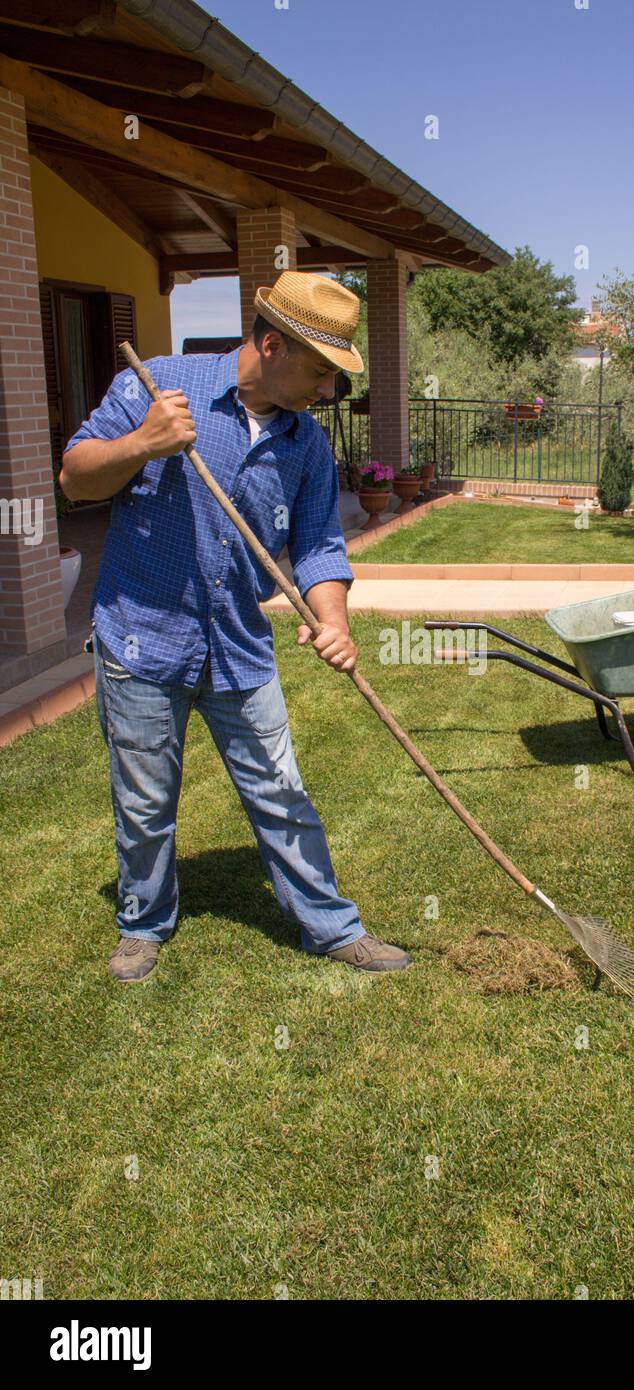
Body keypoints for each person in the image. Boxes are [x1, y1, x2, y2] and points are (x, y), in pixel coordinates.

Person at [59, 271, 412, 983]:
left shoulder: (304, 444)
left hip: (237, 645)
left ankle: (332, 926)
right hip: (141, 637)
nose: (325, 390)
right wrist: (145, 444)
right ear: (273, 344)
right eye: (320, 372)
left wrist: (333, 619)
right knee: (146, 800)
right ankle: (143, 924)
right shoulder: (160, 386)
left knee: (282, 791)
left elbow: (317, 546)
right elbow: (74, 477)